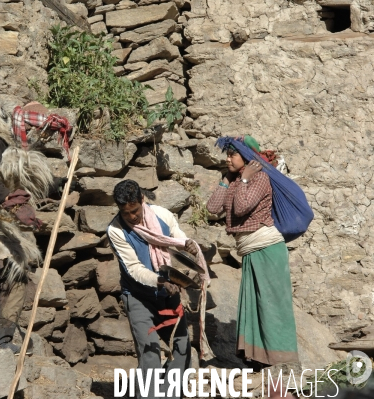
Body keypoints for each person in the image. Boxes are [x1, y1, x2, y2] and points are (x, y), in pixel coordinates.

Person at [0, 102, 69, 353]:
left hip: (9, 224)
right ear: (23, 124)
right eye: (35, 129)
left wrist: (57, 184)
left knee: (18, 274)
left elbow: (26, 180)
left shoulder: (21, 150)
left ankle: (4, 335)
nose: (38, 136)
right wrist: (12, 202)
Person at [206, 135, 298, 368]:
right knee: (255, 305)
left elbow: (241, 206)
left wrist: (245, 179)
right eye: (226, 154)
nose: (227, 158)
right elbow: (213, 208)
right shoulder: (236, 179)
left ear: (246, 157)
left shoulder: (259, 178)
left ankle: (281, 360)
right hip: (252, 251)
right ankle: (258, 359)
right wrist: (227, 180)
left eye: (232, 154)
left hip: (267, 250)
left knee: (271, 305)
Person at [107, 179, 197, 399]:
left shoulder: (162, 215)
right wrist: (159, 281)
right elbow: (134, 269)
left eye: (135, 211)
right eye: (125, 213)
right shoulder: (116, 230)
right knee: (150, 352)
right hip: (138, 296)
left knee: (181, 347)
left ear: (142, 200)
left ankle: (169, 394)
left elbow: (176, 236)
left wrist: (188, 244)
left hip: (169, 293)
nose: (131, 217)